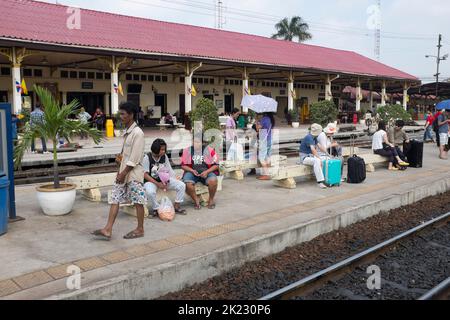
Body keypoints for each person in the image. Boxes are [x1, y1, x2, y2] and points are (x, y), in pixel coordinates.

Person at [92, 102, 146, 240]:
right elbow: (126, 155)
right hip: (122, 172)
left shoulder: (138, 133)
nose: (120, 116)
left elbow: (134, 158)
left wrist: (123, 173)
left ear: (131, 115)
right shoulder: (128, 132)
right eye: (120, 113)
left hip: (133, 173)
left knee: (138, 201)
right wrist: (119, 164)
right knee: (115, 198)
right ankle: (108, 229)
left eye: (123, 114)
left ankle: (140, 229)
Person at [143, 139, 186, 217]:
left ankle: (176, 206)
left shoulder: (164, 156)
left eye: (164, 149)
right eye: (162, 149)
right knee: (150, 192)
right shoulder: (147, 157)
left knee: (181, 185)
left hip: (163, 181)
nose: (164, 151)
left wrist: (174, 178)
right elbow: (145, 175)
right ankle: (156, 209)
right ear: (156, 149)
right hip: (151, 181)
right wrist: (157, 184)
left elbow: (169, 169)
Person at [181, 138, 219, 210]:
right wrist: (192, 170)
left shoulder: (209, 150)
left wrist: (207, 172)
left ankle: (211, 200)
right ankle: (196, 200)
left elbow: (216, 165)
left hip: (207, 172)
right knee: (187, 183)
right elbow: (183, 165)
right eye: (194, 141)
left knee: (213, 181)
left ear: (202, 142)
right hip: (192, 172)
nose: (195, 143)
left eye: (198, 142)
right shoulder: (187, 151)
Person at [300, 124, 327, 189]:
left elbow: (319, 146)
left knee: (325, 159)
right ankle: (320, 182)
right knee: (317, 160)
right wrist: (319, 158)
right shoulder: (309, 137)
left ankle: (326, 178)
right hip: (304, 158)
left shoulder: (314, 137)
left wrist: (327, 153)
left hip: (310, 157)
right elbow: (313, 149)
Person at [257, 112, 275, 181]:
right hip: (269, 139)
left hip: (264, 140)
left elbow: (258, 128)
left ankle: (266, 175)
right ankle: (267, 173)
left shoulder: (264, 119)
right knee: (267, 156)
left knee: (261, 157)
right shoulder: (271, 119)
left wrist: (257, 121)